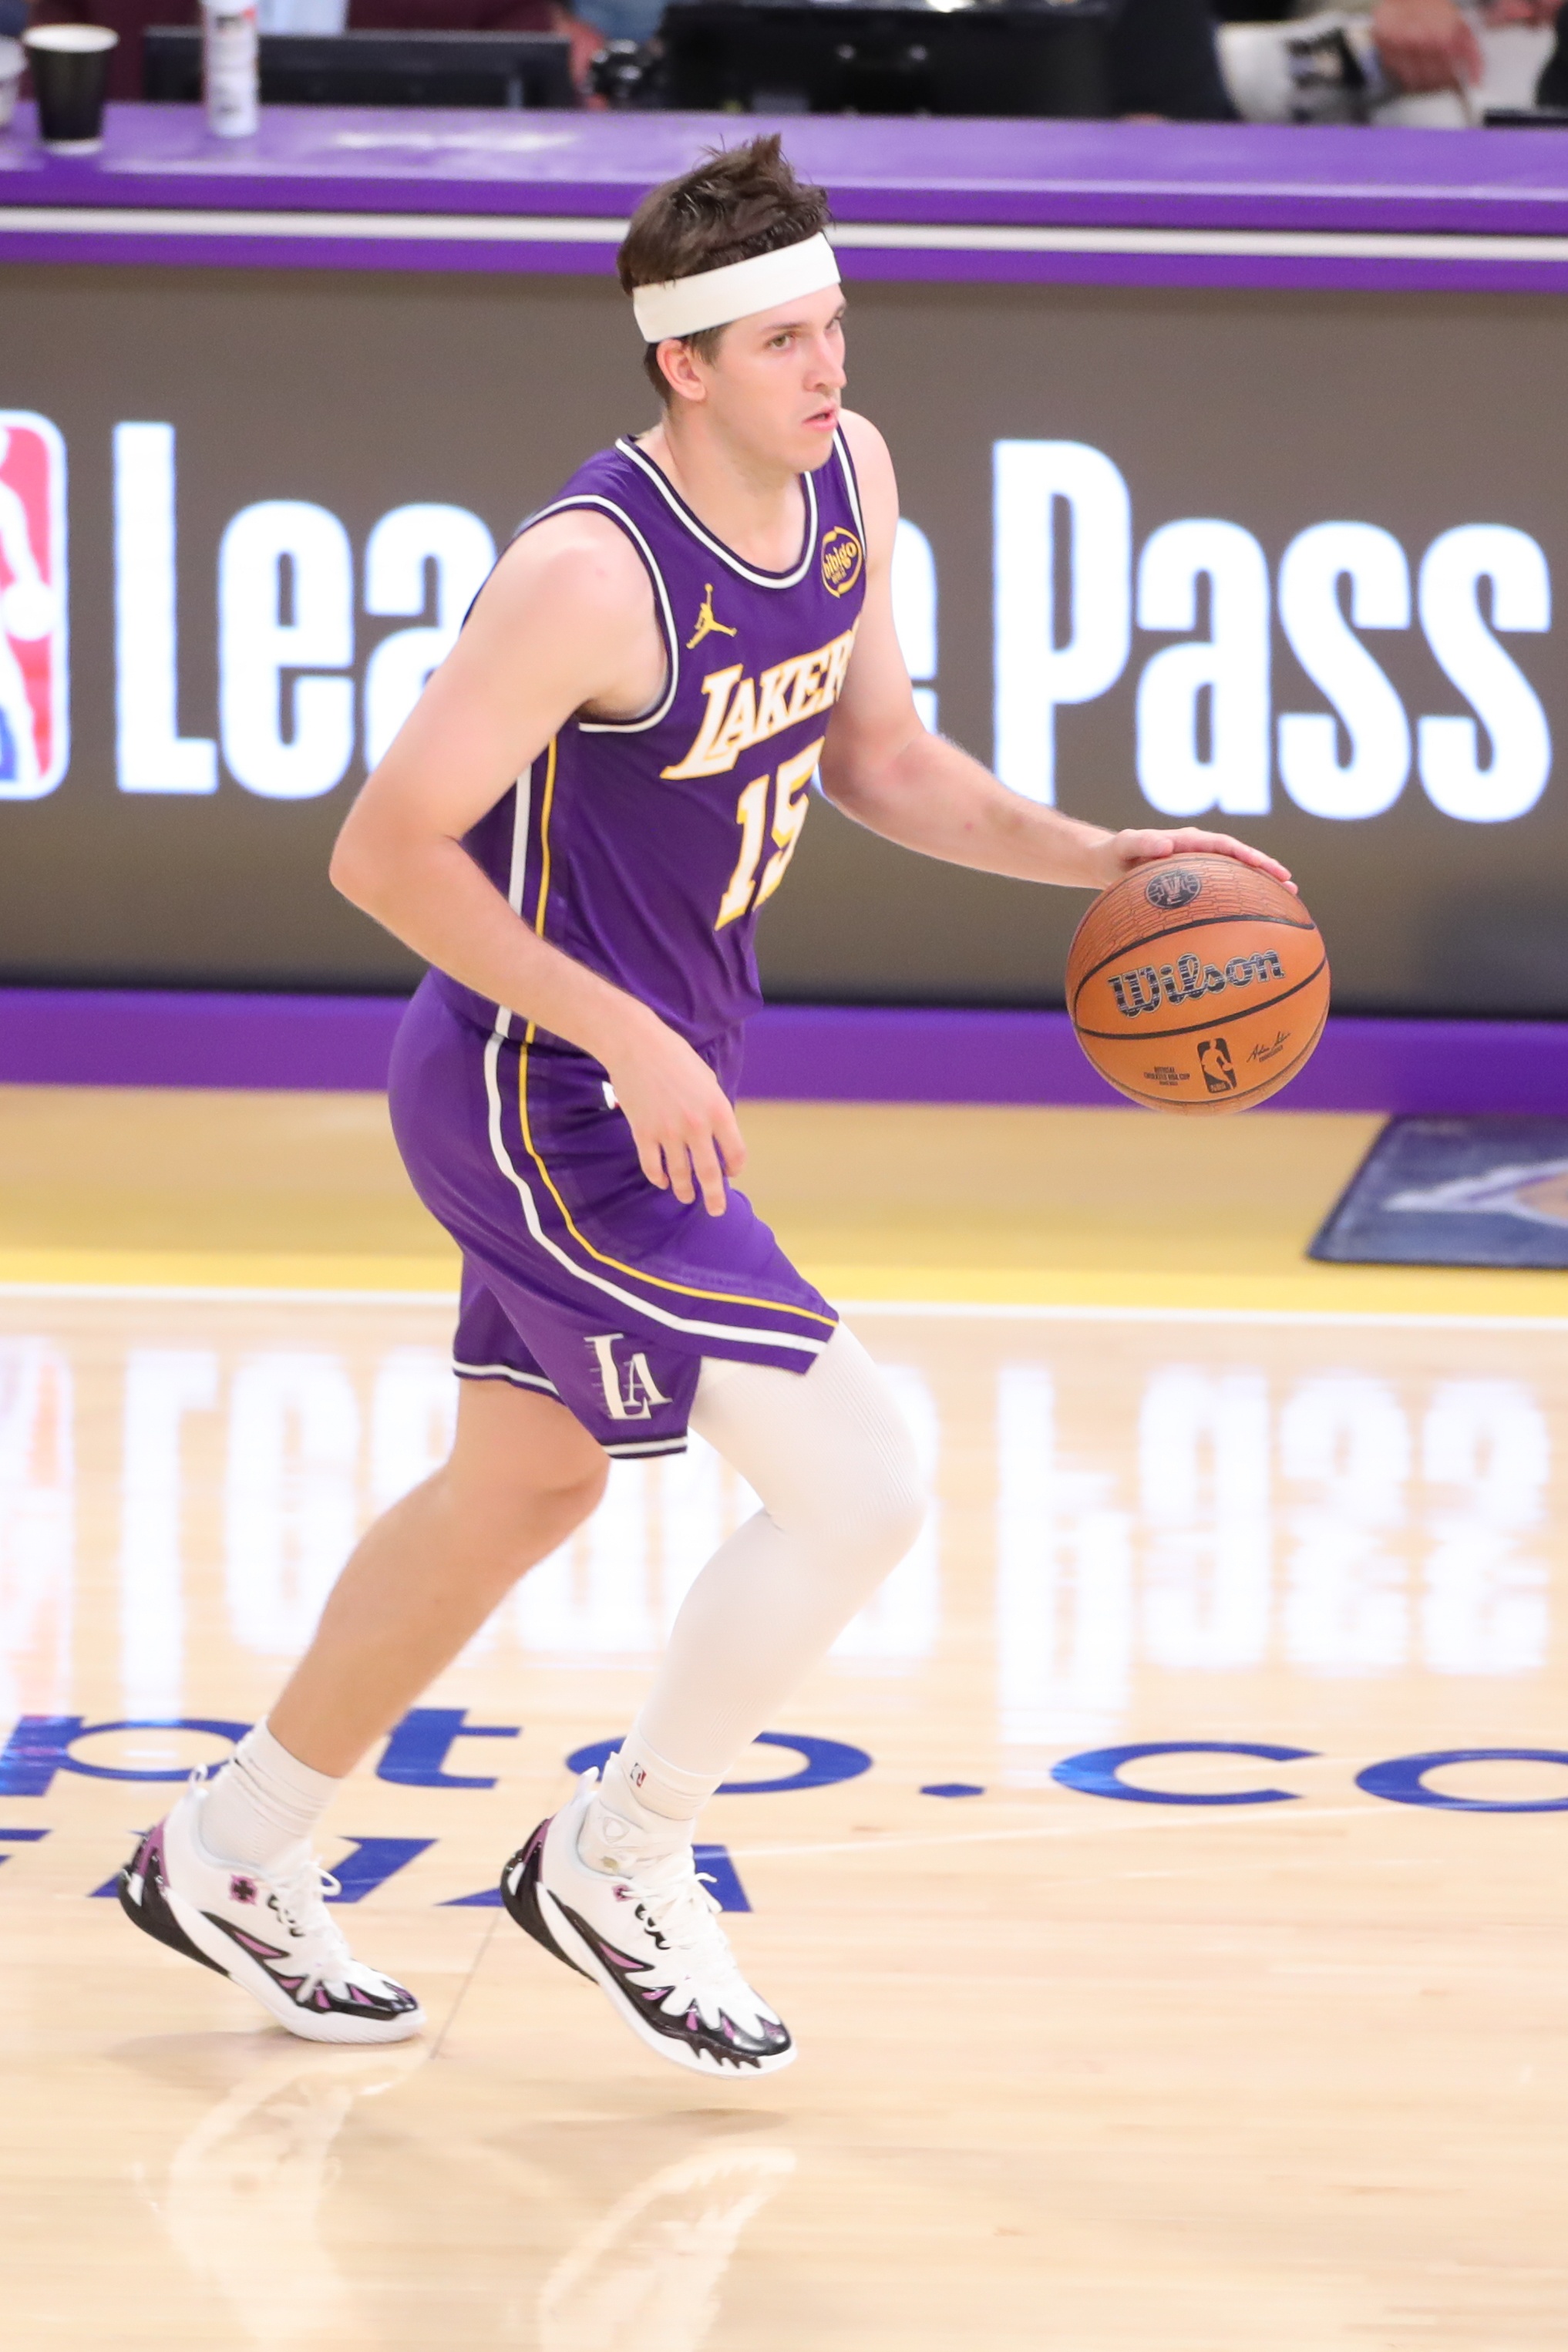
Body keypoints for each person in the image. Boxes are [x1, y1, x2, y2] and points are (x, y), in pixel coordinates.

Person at [117, 136, 1292, 2076]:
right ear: (683, 362)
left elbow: (881, 758)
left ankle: (229, 1850)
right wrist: (629, 1035)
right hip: (542, 1096)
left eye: (834, 325)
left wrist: (1102, 855)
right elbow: (383, 853)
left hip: (655, 1081)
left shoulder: (851, 477)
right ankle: (621, 1848)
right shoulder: (587, 575)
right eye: (781, 342)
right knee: (864, 1477)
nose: (829, 368)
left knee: (525, 1484)